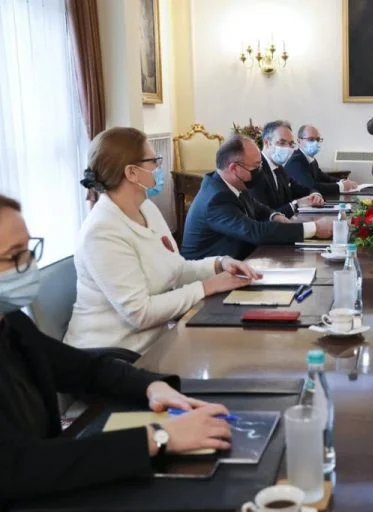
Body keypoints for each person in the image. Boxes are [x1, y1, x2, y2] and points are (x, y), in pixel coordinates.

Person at [0, 194, 234, 503]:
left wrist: (150, 386)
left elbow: (85, 369)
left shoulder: (12, 322)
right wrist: (159, 437)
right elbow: (18, 467)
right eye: (14, 256)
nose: (28, 265)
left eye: (28, 251)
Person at [66, 127, 259, 354]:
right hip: (114, 354)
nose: (159, 168)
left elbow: (175, 269)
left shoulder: (146, 208)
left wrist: (219, 264)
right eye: (153, 161)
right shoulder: (102, 232)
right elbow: (140, 313)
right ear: (132, 172)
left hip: (157, 340)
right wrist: (207, 287)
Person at [181, 135, 333, 260]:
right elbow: (255, 232)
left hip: (238, 261)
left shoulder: (232, 184)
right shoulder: (216, 199)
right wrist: (314, 228)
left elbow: (257, 208)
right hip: (211, 276)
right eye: (256, 167)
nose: (260, 171)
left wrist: (274, 216)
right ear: (234, 168)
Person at [248, 120, 325, 219]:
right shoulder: (256, 171)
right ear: (267, 143)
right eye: (282, 142)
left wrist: (315, 194)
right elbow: (263, 217)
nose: (287, 148)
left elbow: (301, 189)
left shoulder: (279, 168)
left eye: (291, 144)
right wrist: (296, 205)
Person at [284, 125, 359, 197]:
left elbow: (324, 177)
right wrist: (341, 186)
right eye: (311, 139)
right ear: (299, 141)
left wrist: (342, 181)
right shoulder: (296, 161)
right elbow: (311, 186)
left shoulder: (311, 159)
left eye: (317, 139)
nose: (315, 143)